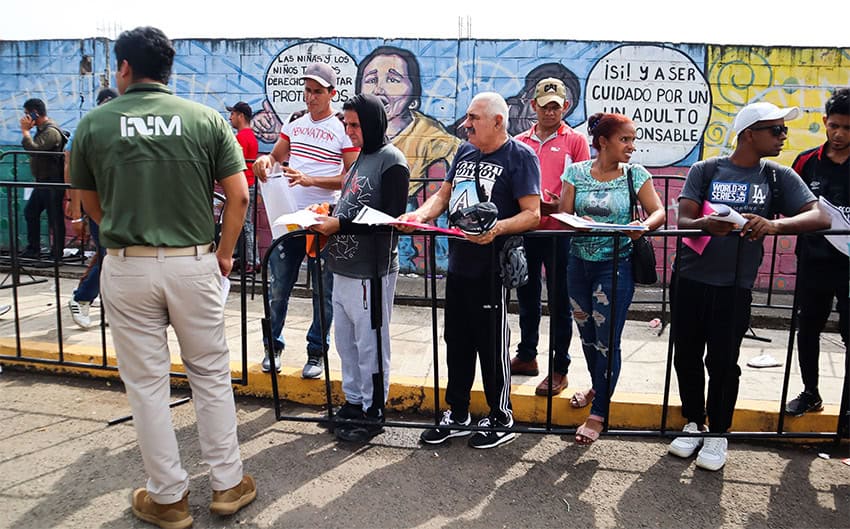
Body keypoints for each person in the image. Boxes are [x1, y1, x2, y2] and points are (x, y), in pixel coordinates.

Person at [70, 26, 255, 528]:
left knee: (147, 385)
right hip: (194, 261)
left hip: (127, 264)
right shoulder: (205, 120)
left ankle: (169, 498)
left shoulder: (93, 124)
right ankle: (227, 485)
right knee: (211, 376)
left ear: (124, 68)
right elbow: (238, 196)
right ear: (169, 69)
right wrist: (222, 254)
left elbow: (89, 204)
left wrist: (119, 233)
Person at [669, 101, 827, 471]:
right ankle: (693, 422)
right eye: (775, 130)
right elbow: (684, 218)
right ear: (748, 134)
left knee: (724, 362)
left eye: (783, 130)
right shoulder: (706, 169)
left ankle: (718, 433)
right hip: (690, 278)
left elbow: (818, 214)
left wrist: (775, 225)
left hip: (735, 285)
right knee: (686, 356)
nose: (783, 136)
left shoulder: (777, 176)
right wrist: (707, 224)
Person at [400, 92, 541, 449]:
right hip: (459, 266)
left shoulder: (520, 157)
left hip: (492, 269)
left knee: (492, 345)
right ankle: (458, 412)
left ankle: (500, 416)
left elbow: (532, 213)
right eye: (466, 117)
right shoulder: (463, 152)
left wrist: (496, 229)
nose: (466, 124)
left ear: (497, 121)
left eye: (474, 118)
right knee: (456, 342)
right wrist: (419, 216)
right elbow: (443, 196)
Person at [559, 113, 665, 445]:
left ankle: (599, 413)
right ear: (603, 141)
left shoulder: (635, 175)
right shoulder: (575, 172)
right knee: (587, 335)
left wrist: (642, 227)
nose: (632, 147)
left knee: (607, 340)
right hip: (578, 264)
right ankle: (598, 386)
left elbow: (659, 212)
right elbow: (564, 215)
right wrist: (579, 220)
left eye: (633, 140)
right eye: (625, 140)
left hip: (615, 267)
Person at [311, 93, 410, 442]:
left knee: (370, 343)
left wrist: (341, 226)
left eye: (355, 125)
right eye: (346, 124)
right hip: (343, 265)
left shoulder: (392, 161)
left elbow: (391, 219)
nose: (349, 131)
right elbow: (351, 204)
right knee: (346, 342)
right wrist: (328, 215)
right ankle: (354, 401)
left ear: (372, 123)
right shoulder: (360, 160)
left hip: (372, 269)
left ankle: (373, 410)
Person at [252, 62, 359, 377]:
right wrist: (264, 160)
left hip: (324, 220)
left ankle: (316, 352)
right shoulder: (294, 121)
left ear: (331, 93)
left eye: (317, 91)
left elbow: (350, 178)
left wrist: (311, 181)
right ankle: (273, 347)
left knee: (323, 293)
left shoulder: (343, 128)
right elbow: (275, 156)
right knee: (278, 286)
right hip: (289, 218)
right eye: (307, 90)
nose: (310, 97)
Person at [512, 77, 591, 396]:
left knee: (560, 301)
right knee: (527, 296)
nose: (549, 112)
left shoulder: (575, 141)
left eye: (556, 106)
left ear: (565, 107)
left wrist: (562, 204)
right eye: (544, 106)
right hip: (528, 229)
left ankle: (560, 368)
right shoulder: (519, 142)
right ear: (534, 106)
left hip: (560, 232)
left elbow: (584, 184)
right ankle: (527, 355)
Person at [787, 88, 850, 416]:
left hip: (849, 267)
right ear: (825, 122)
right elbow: (790, 203)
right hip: (813, 261)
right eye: (834, 125)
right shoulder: (806, 161)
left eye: (848, 128)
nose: (839, 134)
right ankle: (810, 393)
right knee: (808, 328)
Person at [65, 87, 118, 329]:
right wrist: (75, 209)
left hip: (118, 203)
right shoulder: (87, 128)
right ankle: (82, 297)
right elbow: (73, 169)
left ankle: (110, 307)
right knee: (110, 257)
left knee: (112, 257)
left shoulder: (118, 129)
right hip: (99, 203)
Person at [19, 98, 66, 260]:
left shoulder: (51, 131)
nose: (25, 118)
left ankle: (57, 254)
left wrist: (25, 132)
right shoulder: (41, 130)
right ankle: (33, 248)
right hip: (42, 181)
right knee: (30, 212)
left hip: (52, 181)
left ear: (35, 113)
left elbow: (35, 150)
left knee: (55, 217)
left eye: (27, 114)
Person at [226, 101, 260, 272]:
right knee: (241, 223)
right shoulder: (251, 136)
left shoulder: (240, 138)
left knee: (245, 224)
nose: (230, 117)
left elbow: (234, 164)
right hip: (250, 184)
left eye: (232, 114)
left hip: (244, 186)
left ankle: (253, 262)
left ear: (240, 116)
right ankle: (241, 257)